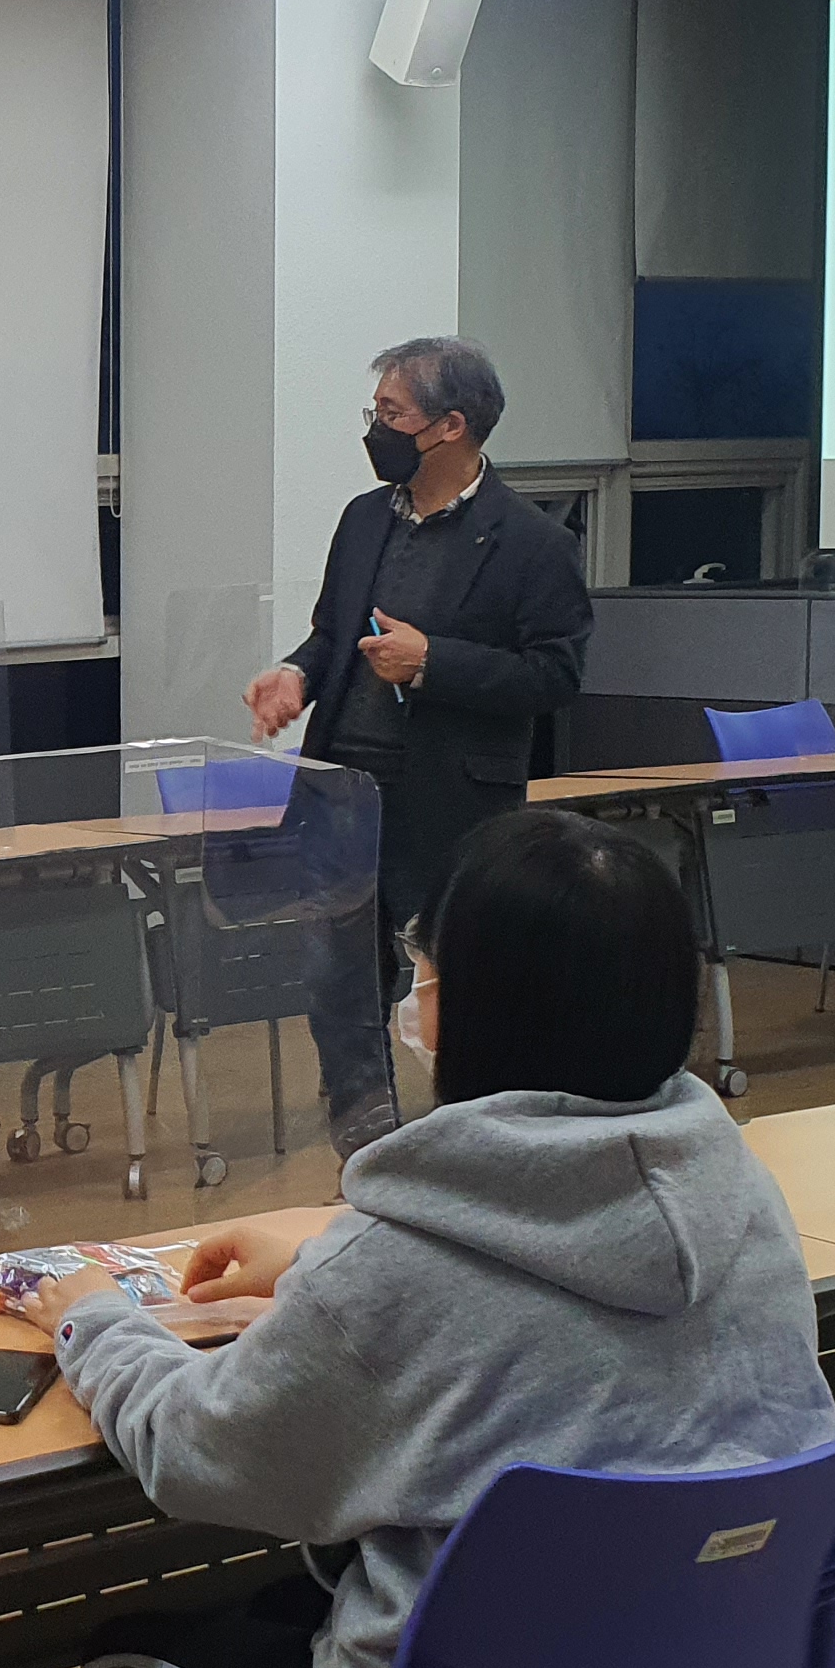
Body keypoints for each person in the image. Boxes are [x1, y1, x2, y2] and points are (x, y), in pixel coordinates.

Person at [0, 809, 835, 1668]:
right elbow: (510, 1318)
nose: (411, 993)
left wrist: (93, 1315)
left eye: (425, 970)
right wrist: (323, 1271)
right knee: (312, 1627)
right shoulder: (742, 1199)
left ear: (478, 1011)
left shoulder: (399, 1272)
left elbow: (199, 1450)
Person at [246, 337, 592, 1153]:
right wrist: (296, 674)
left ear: (450, 426)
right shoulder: (363, 519)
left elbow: (556, 674)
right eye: (377, 412)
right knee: (335, 973)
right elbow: (332, 634)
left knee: (460, 973)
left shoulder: (533, 542)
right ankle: (367, 1137)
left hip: (452, 799)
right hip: (342, 789)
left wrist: (434, 661)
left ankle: (478, 1134)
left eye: (392, 413)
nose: (377, 429)